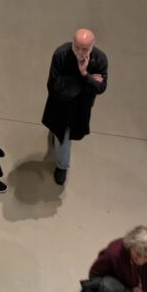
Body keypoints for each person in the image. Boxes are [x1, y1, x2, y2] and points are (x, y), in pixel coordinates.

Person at [42, 28, 109, 185]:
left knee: (66, 135)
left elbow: (101, 88)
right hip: (59, 105)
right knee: (62, 136)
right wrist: (86, 81)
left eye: (84, 49)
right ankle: (62, 165)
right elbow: (53, 85)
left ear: (92, 46)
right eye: (76, 46)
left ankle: (61, 165)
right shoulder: (61, 54)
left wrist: (84, 74)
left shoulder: (100, 60)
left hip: (81, 107)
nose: (79, 51)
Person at [87, 226, 147, 292]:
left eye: (146, 257)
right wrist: (127, 291)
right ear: (130, 245)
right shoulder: (113, 253)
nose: (141, 260)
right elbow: (94, 275)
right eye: (137, 254)